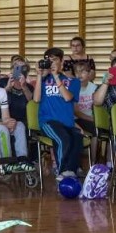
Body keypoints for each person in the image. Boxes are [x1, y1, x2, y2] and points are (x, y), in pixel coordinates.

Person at [34, 47, 83, 180]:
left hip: (67, 123)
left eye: (54, 59)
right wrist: (39, 75)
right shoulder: (43, 80)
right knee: (63, 139)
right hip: (48, 121)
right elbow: (36, 99)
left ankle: (71, 171)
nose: (51, 62)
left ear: (61, 62)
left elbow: (67, 98)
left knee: (77, 138)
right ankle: (61, 171)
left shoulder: (74, 82)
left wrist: (56, 76)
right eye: (48, 60)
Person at [0, 55, 32, 125]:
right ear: (12, 69)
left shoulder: (29, 87)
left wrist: (24, 87)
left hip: (22, 121)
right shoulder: (2, 82)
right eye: (17, 68)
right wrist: (7, 87)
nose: (20, 71)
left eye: (23, 69)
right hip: (2, 119)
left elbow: (31, 102)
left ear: (27, 72)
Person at [73, 62, 98, 137]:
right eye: (77, 72)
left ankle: (95, 149)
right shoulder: (72, 87)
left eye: (83, 71)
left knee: (98, 128)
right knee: (94, 127)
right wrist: (92, 119)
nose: (79, 74)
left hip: (91, 118)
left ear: (89, 73)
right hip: (76, 119)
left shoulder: (94, 87)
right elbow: (76, 112)